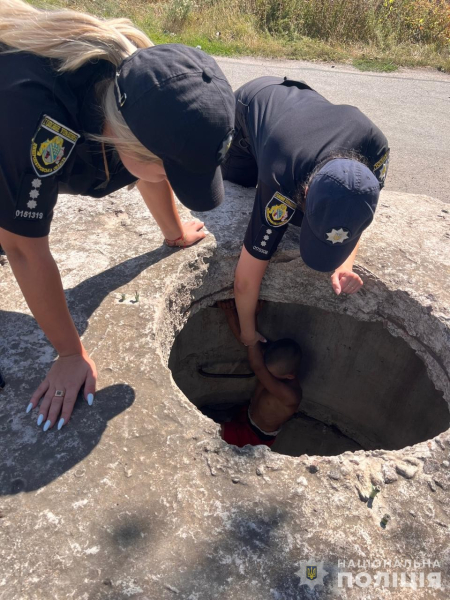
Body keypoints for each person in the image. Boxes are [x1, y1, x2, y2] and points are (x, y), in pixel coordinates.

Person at [0, 0, 235, 431]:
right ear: (126, 142)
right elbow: (22, 248)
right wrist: (70, 353)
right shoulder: (43, 123)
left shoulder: (142, 89)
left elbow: (150, 167)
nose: (169, 177)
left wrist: (175, 231)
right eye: (169, 168)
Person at [221, 76, 390, 346]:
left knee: (301, 218)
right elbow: (245, 280)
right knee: (236, 189)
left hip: (299, 118)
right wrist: (248, 333)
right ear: (307, 191)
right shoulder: (282, 175)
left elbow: (356, 207)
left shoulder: (375, 149)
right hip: (250, 108)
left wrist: (344, 263)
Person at [219, 301, 302, 448]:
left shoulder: (291, 396)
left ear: (290, 376)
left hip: (254, 436)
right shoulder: (272, 359)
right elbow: (247, 339)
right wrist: (230, 313)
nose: (265, 378)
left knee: (211, 433)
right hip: (248, 413)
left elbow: (258, 367)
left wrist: (242, 314)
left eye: (270, 375)